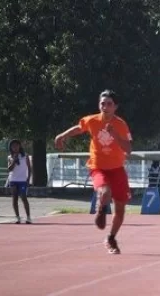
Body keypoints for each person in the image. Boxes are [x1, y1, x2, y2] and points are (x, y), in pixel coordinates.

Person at [54, 90, 132, 254]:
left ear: (115, 106)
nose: (105, 106)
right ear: (99, 105)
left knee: (120, 209)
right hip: (98, 167)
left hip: (117, 169)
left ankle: (111, 238)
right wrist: (63, 135)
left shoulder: (121, 124)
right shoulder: (92, 120)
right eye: (102, 103)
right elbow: (79, 128)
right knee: (104, 192)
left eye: (109, 103)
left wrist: (115, 135)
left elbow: (128, 149)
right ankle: (101, 209)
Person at [6, 139, 32, 224]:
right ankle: (18, 218)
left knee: (24, 197)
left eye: (16, 145)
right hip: (13, 180)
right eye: (13, 146)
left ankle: (28, 217)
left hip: (22, 180)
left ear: (19, 146)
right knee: (15, 199)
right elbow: (9, 169)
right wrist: (14, 160)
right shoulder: (10, 157)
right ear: (11, 148)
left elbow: (29, 167)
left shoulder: (25, 156)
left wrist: (28, 179)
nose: (15, 147)